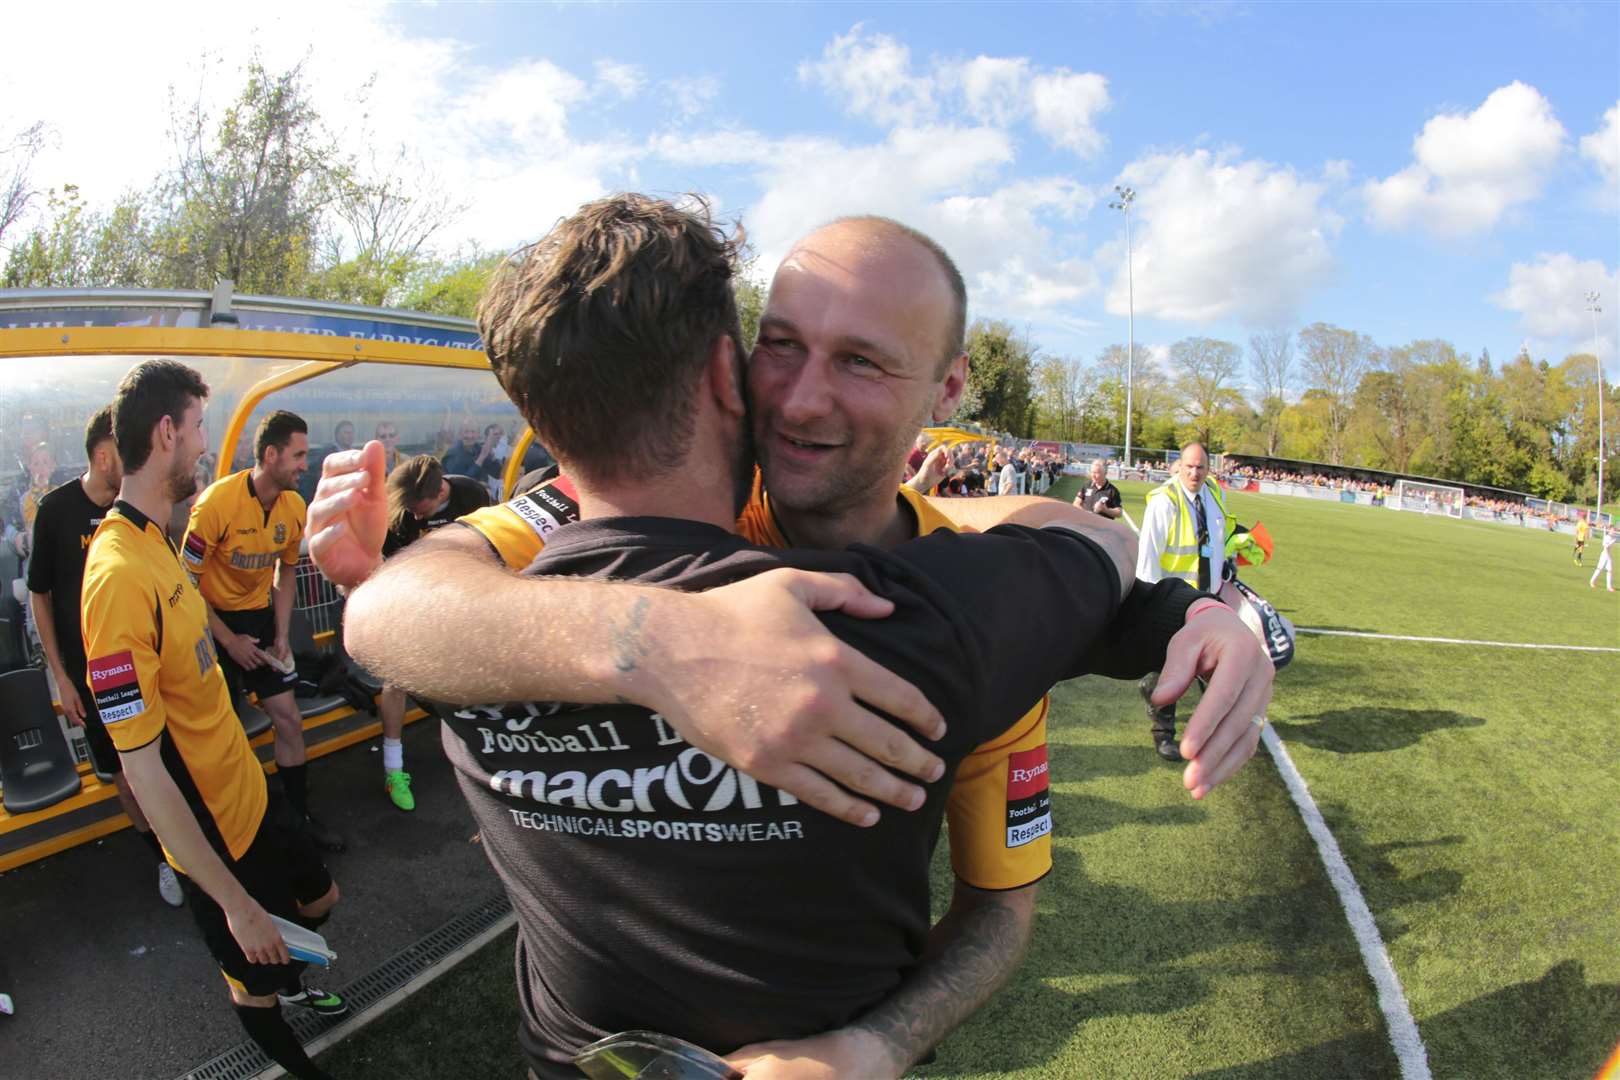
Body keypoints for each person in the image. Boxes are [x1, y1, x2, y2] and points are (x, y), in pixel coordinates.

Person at [315, 195, 1266, 1079]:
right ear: (730, 369)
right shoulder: (959, 610)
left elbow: (1000, 908)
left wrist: (877, 1046)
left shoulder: (985, 600)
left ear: (948, 389)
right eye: (782, 345)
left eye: (861, 361)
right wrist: (671, 640)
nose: (805, 400)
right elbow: (400, 605)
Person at [81, 361, 344, 1080]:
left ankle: (290, 973)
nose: (204, 445)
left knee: (322, 897)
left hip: (250, 791)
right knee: (253, 980)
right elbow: (140, 765)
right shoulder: (114, 578)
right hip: (215, 835)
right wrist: (231, 903)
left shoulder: (156, 538)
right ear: (167, 432)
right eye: (199, 428)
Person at [26, 407, 181, 907]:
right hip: (95, 679)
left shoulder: (135, 507)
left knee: (168, 760)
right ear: (101, 454)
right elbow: (40, 595)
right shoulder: (55, 509)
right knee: (124, 775)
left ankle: (188, 848)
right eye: (126, 450)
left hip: (151, 666)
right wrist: (62, 679)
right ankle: (163, 855)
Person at [183, 411, 343, 853]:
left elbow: (287, 571)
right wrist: (228, 642)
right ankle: (235, 832)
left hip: (260, 618)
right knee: (222, 736)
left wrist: (280, 633)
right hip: (212, 624)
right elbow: (186, 582)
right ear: (270, 455)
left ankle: (299, 820)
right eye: (298, 454)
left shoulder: (293, 507)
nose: (304, 464)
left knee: (289, 718)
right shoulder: (215, 504)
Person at [371, 455, 493, 810]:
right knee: (394, 680)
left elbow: (492, 548)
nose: (415, 515)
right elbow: (389, 568)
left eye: (419, 508)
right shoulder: (402, 514)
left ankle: (485, 759)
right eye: (409, 508)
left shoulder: (472, 495)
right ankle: (393, 770)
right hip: (414, 602)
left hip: (463, 600)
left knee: (477, 680)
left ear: (441, 490)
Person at [1135, 441, 1237, 761]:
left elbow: (1220, 537)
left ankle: (1215, 727)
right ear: (1179, 465)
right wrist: (1149, 603)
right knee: (1167, 668)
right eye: (1189, 466)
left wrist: (1226, 565)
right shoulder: (1165, 501)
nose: (1194, 473)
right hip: (1173, 599)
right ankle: (1163, 733)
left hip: (1209, 597)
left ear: (1209, 469)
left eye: (1201, 467)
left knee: (1215, 665)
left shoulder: (1215, 494)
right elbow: (1148, 557)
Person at [440, 418, 501, 487]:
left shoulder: (479, 449)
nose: (470, 436)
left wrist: (492, 457)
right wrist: (480, 459)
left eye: (473, 432)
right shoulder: (453, 454)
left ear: (478, 434)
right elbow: (459, 484)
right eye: (466, 432)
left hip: (482, 494)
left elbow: (498, 474)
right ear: (460, 434)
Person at [1590, 525, 1615, 591]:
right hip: (1604, 555)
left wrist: (1612, 542)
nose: (1613, 531)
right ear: (1609, 530)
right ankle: (1592, 581)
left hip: (1608, 556)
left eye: (1614, 530)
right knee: (1599, 569)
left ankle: (1609, 587)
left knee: (1610, 570)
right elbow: (1606, 546)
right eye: (1612, 530)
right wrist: (1611, 542)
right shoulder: (1607, 537)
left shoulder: (1611, 537)